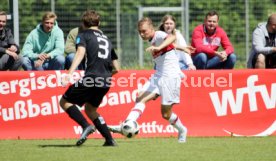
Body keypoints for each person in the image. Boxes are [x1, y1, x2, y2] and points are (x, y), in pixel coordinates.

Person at [109, 17, 187, 143]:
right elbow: (171, 44)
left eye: (144, 31)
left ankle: (182, 129)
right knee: (140, 98)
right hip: (159, 75)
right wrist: (182, 48)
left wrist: (158, 47)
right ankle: (127, 124)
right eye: (140, 32)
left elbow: (172, 37)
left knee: (166, 114)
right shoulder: (153, 40)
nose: (141, 34)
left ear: (152, 29)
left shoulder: (159, 35)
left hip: (170, 77)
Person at [60, 10, 120, 146]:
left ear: (83, 23)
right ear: (99, 23)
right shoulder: (106, 39)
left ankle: (85, 126)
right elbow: (117, 68)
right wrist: (105, 77)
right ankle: (110, 140)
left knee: (64, 102)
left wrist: (68, 74)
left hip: (91, 78)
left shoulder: (83, 35)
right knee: (91, 109)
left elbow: (80, 53)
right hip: (105, 81)